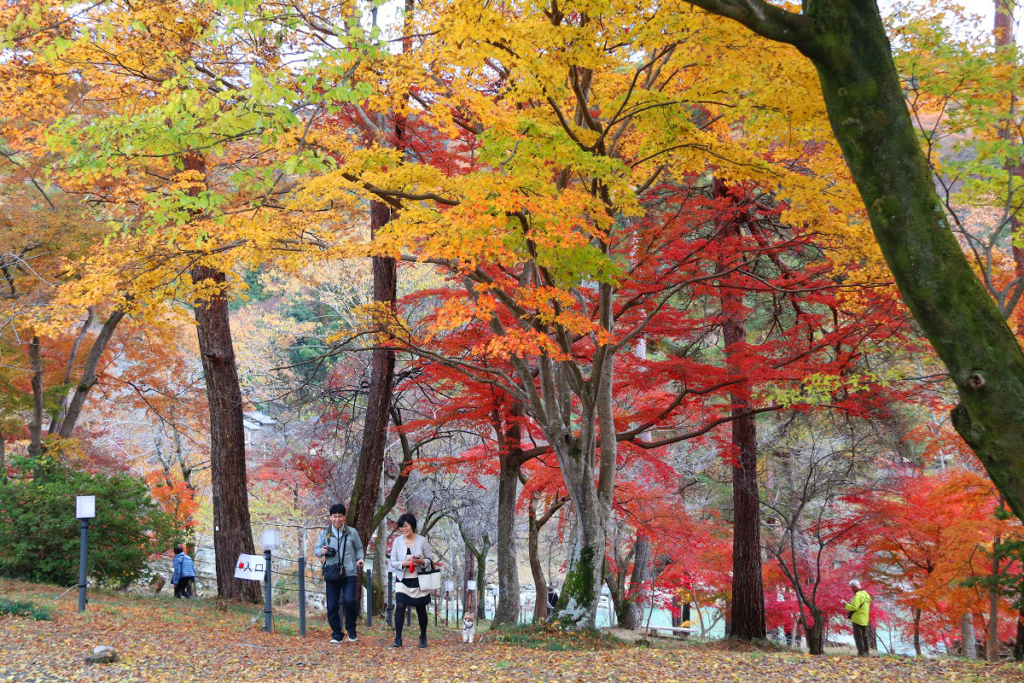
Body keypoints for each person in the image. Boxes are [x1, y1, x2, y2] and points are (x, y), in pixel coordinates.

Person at [315, 503, 364, 644]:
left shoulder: (352, 532)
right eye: (334, 516)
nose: (337, 519)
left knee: (350, 601)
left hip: (349, 572)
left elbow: (359, 548)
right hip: (331, 572)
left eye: (340, 516)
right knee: (332, 606)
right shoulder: (325, 533)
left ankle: (351, 629)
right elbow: (316, 550)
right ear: (330, 517)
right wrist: (322, 551)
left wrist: (360, 559)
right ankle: (337, 633)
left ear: (344, 517)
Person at [389, 512, 436, 648]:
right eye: (401, 527)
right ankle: (398, 638)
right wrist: (403, 563)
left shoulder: (422, 540)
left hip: (419, 580)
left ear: (412, 526)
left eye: (406, 526)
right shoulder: (397, 542)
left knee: (421, 608)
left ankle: (423, 636)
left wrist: (421, 561)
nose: (404, 529)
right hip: (402, 579)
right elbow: (392, 561)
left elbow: (430, 559)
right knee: (400, 605)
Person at [844, 579, 872, 656]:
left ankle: (861, 653)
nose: (851, 590)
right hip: (865, 618)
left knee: (858, 637)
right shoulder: (866, 594)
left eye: (852, 588)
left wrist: (845, 605)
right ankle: (866, 652)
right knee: (865, 636)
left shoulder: (858, 596)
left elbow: (854, 607)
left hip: (857, 619)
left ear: (855, 587)